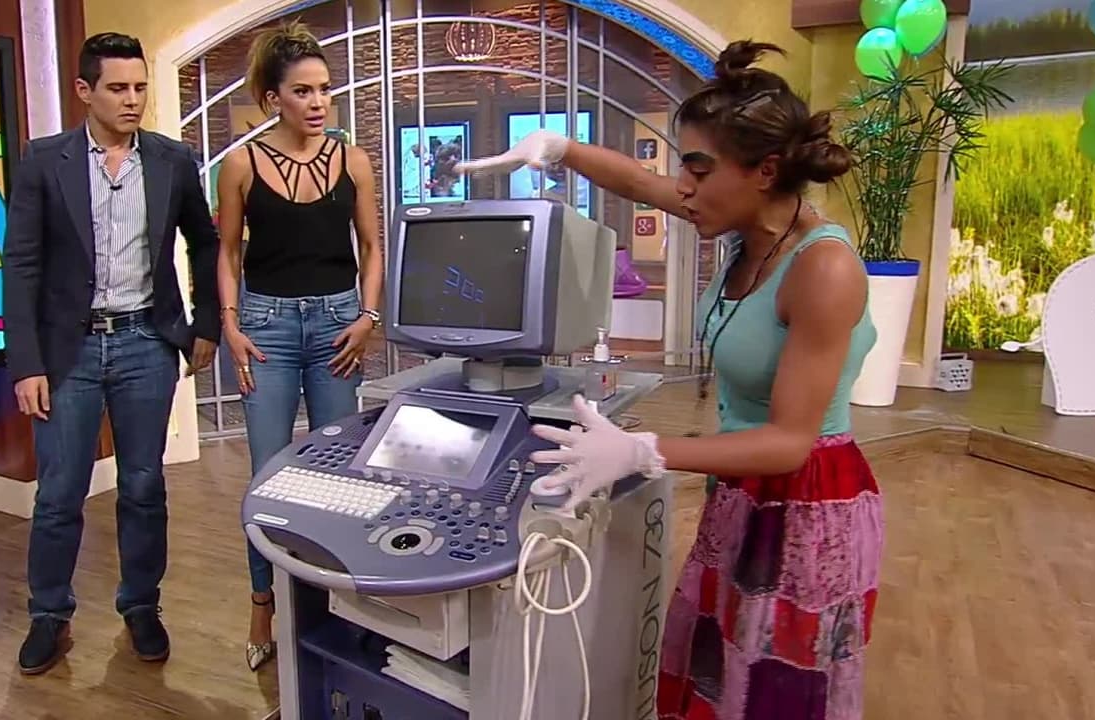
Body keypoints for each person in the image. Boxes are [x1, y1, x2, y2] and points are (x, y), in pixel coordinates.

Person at [459, 41, 883, 719]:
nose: (681, 186)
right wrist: (559, 148)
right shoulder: (747, 228)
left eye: (697, 168)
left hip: (807, 503)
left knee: (772, 689)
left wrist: (642, 450)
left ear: (766, 171)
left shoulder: (822, 268)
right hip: (741, 484)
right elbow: (638, 182)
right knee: (722, 671)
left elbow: (788, 443)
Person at [3, 32, 220, 675]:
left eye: (139, 87)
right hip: (67, 352)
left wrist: (205, 322)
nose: (132, 100)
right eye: (118, 88)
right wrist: (27, 364)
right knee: (59, 493)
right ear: (84, 91)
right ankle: (49, 613)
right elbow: (21, 265)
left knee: (144, 486)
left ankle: (141, 604)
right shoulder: (45, 160)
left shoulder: (172, 160)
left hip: (146, 342)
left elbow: (205, 242)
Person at [215, 19, 384, 672]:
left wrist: (368, 315)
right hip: (267, 329)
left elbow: (371, 247)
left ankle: (333, 600)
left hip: (338, 326)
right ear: (273, 99)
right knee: (269, 474)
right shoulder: (241, 165)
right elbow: (228, 252)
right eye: (303, 91)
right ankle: (263, 601)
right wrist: (231, 324)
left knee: (340, 469)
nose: (318, 103)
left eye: (324, 90)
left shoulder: (354, 161)